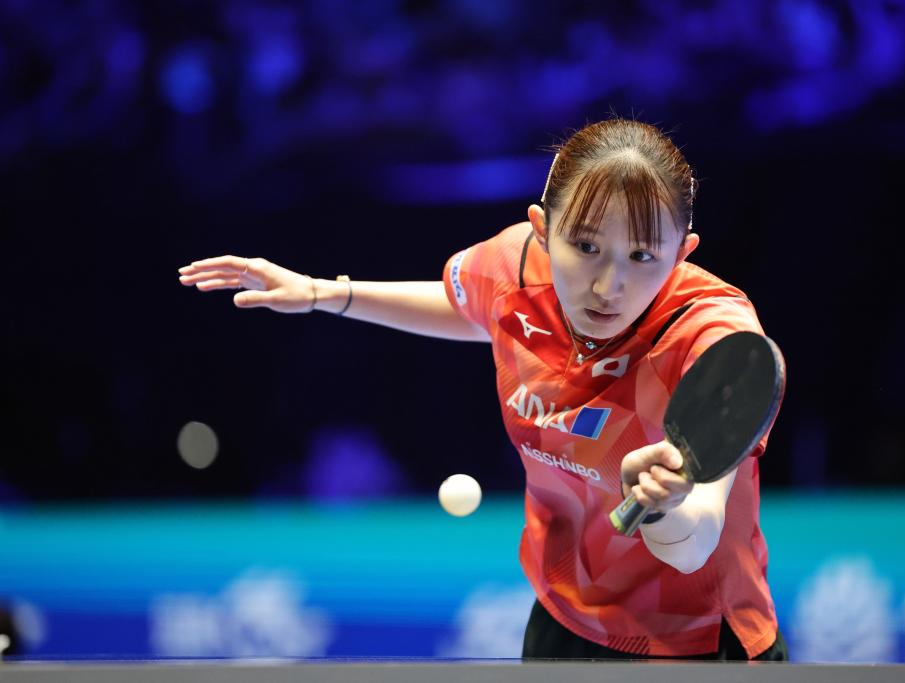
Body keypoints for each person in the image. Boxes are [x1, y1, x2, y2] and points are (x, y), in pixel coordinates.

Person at [178, 118, 787, 661]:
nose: (609, 286)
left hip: (694, 641)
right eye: (585, 247)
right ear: (542, 229)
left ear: (682, 252)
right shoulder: (515, 268)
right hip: (563, 617)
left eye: (643, 256)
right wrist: (323, 293)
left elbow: (694, 544)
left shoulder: (712, 338)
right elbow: (473, 307)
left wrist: (669, 503)